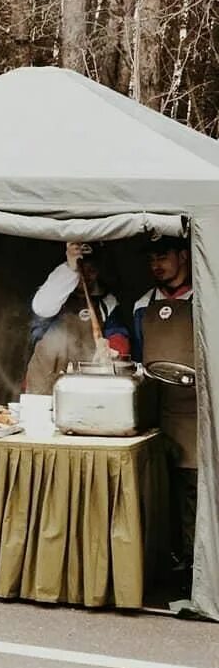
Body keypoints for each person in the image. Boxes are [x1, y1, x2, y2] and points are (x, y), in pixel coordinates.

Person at [132, 233, 196, 580]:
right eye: (151, 259)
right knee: (158, 486)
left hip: (195, 410)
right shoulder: (143, 304)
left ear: (184, 255)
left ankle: (193, 561)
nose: (156, 265)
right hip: (156, 409)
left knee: (192, 488)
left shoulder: (205, 299)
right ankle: (162, 559)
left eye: (163, 256)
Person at [24, 241, 130, 395]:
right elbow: (42, 309)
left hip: (86, 385)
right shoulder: (53, 294)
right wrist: (71, 268)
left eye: (91, 270)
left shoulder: (106, 301)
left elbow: (117, 333)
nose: (85, 276)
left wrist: (112, 350)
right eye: (81, 268)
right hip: (44, 383)